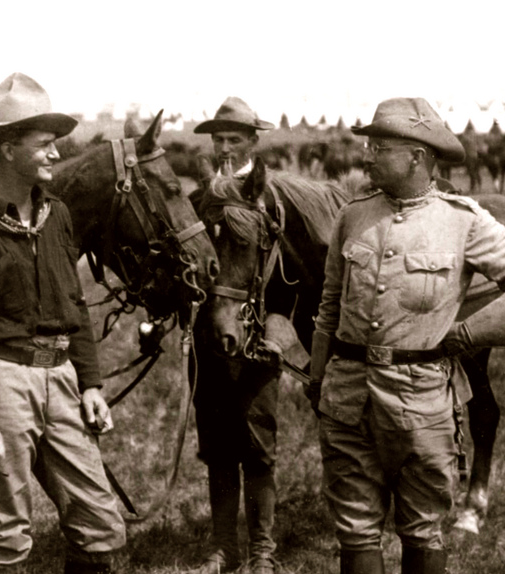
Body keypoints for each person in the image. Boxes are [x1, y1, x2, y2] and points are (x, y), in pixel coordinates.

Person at [306, 97, 505, 574]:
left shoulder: (462, 221)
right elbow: (328, 307)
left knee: (422, 527)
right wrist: (319, 380)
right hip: (347, 395)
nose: (365, 156)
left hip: (422, 400)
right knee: (355, 528)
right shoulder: (352, 216)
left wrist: (467, 335)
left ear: (416, 156)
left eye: (379, 147)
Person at [0, 73, 125, 574]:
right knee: (5, 532)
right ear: (5, 150)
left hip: (63, 379)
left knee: (100, 521)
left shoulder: (57, 216)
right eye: (43, 145)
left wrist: (90, 383)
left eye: (54, 145)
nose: (54, 155)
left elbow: (75, 304)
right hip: (5, 383)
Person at [189, 96, 310, 574]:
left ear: (252, 143)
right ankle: (223, 549)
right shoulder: (202, 198)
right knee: (217, 446)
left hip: (257, 341)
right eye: (217, 139)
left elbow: (296, 276)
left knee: (257, 446)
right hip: (208, 339)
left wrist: (277, 332)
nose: (223, 148)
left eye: (233, 140)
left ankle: (262, 552)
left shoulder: (274, 197)